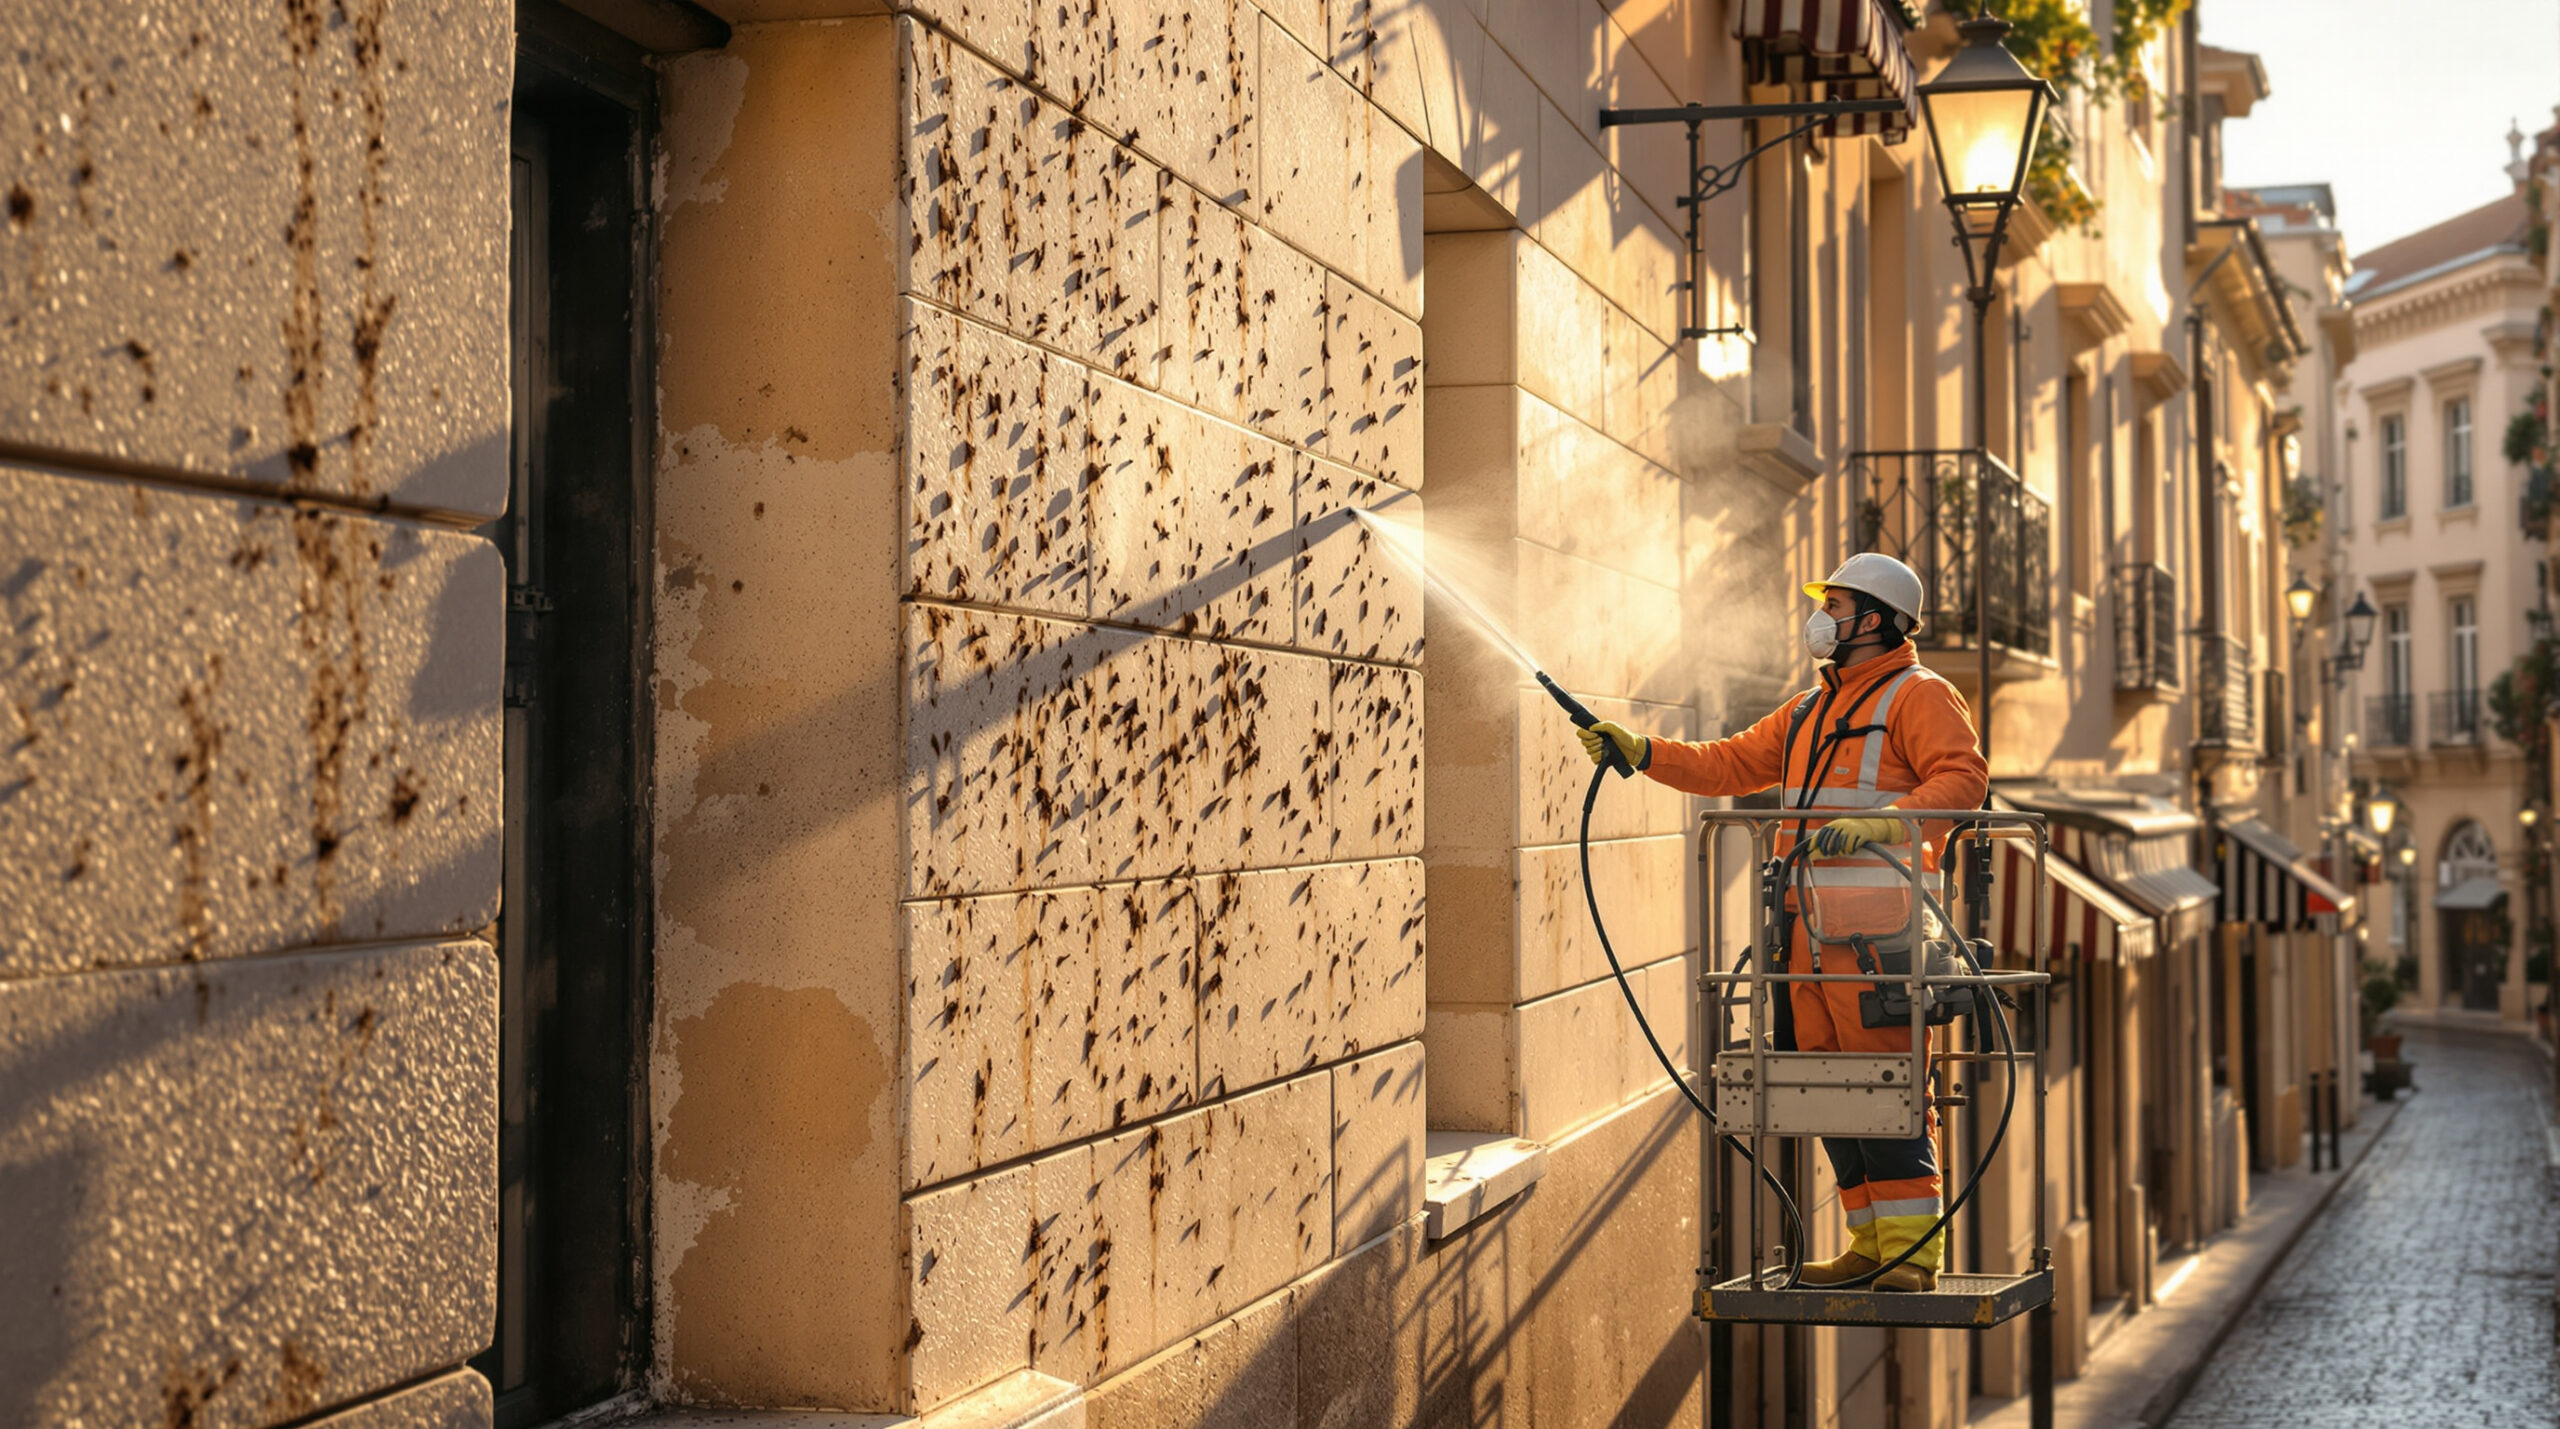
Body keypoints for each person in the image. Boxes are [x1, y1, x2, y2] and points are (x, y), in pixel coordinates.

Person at [1579, 552, 1987, 1292]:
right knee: (1827, 1084)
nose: (1820, 617)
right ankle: (1871, 1243)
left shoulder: (1920, 694)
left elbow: (1964, 779)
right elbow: (1729, 764)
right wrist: (1644, 753)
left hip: (1882, 936)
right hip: (1802, 932)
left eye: (1835, 605)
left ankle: (1913, 1254)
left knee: (1888, 1085)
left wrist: (1888, 823)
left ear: (1875, 619)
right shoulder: (1807, 709)